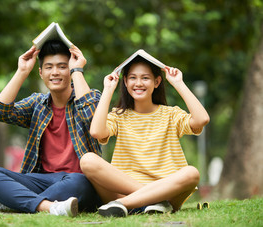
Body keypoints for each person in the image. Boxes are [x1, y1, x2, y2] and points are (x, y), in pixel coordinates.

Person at [0, 40, 102, 217]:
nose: (55, 72)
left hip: (77, 180)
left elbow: (92, 120)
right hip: (40, 180)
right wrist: (22, 71)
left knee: (79, 182)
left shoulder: (91, 96)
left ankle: (11, 202)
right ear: (41, 73)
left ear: (71, 70)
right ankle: (48, 207)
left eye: (62, 66)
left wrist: (77, 71)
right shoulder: (37, 103)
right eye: (49, 67)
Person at [80, 55, 210, 217]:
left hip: (168, 194)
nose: (139, 83)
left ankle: (124, 205)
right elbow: (97, 132)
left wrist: (178, 83)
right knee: (87, 160)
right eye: (133, 78)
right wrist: (108, 89)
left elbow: (202, 119)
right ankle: (154, 201)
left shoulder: (170, 114)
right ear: (125, 82)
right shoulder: (119, 116)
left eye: (145, 78)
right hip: (125, 191)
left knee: (191, 173)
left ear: (157, 82)